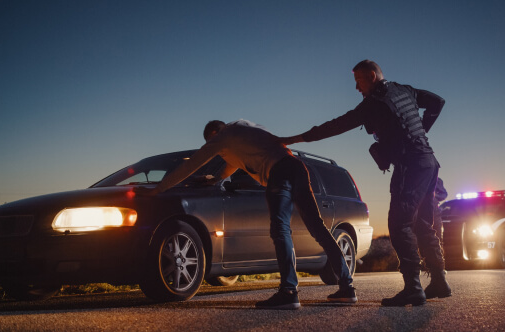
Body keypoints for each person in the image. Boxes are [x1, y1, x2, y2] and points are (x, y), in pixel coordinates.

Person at [279, 60, 451, 306]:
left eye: (359, 81)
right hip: (429, 162)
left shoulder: (372, 104)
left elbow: (335, 126)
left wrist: (293, 139)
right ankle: (439, 281)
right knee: (424, 224)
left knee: (399, 224)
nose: (357, 88)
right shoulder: (405, 90)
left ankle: (413, 287)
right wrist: (420, 132)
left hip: (410, 165)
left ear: (371, 76)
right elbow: (438, 102)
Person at [151, 119, 356, 310]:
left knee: (280, 229)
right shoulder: (243, 130)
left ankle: (289, 291)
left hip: (279, 173)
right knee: (318, 228)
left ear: (214, 134)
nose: (217, 151)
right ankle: (347, 288)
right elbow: (232, 165)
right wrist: (215, 179)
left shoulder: (222, 138)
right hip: (297, 168)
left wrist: (159, 189)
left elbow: (191, 164)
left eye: (211, 143)